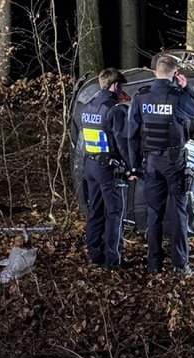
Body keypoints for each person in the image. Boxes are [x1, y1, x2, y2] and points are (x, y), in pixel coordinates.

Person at [127, 55, 194, 276]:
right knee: (179, 212)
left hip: (150, 163)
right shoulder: (177, 96)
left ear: (155, 73)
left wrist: (134, 165)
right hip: (173, 162)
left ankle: (154, 264)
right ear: (175, 74)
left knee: (154, 213)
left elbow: (131, 135)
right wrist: (187, 88)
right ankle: (180, 265)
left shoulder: (141, 97)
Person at [73, 68, 130, 271]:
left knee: (95, 211)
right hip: (109, 168)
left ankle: (94, 253)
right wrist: (132, 167)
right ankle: (112, 260)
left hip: (90, 165)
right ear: (115, 85)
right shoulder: (114, 109)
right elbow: (123, 143)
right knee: (114, 213)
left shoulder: (88, 107)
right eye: (120, 86)